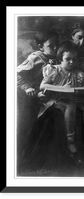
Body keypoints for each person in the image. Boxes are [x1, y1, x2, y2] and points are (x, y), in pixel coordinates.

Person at [39, 41, 84, 164]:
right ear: (60, 58)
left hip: (73, 98)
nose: (72, 62)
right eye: (68, 59)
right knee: (70, 105)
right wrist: (62, 88)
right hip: (57, 99)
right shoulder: (54, 70)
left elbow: (81, 86)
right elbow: (42, 86)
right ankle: (70, 141)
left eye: (74, 59)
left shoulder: (77, 72)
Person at [17, 28, 59, 167]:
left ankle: (45, 161)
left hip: (49, 99)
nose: (55, 48)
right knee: (27, 128)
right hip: (32, 98)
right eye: (51, 46)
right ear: (41, 46)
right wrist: (28, 88)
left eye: (57, 45)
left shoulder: (58, 60)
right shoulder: (36, 58)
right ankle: (22, 161)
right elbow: (16, 74)